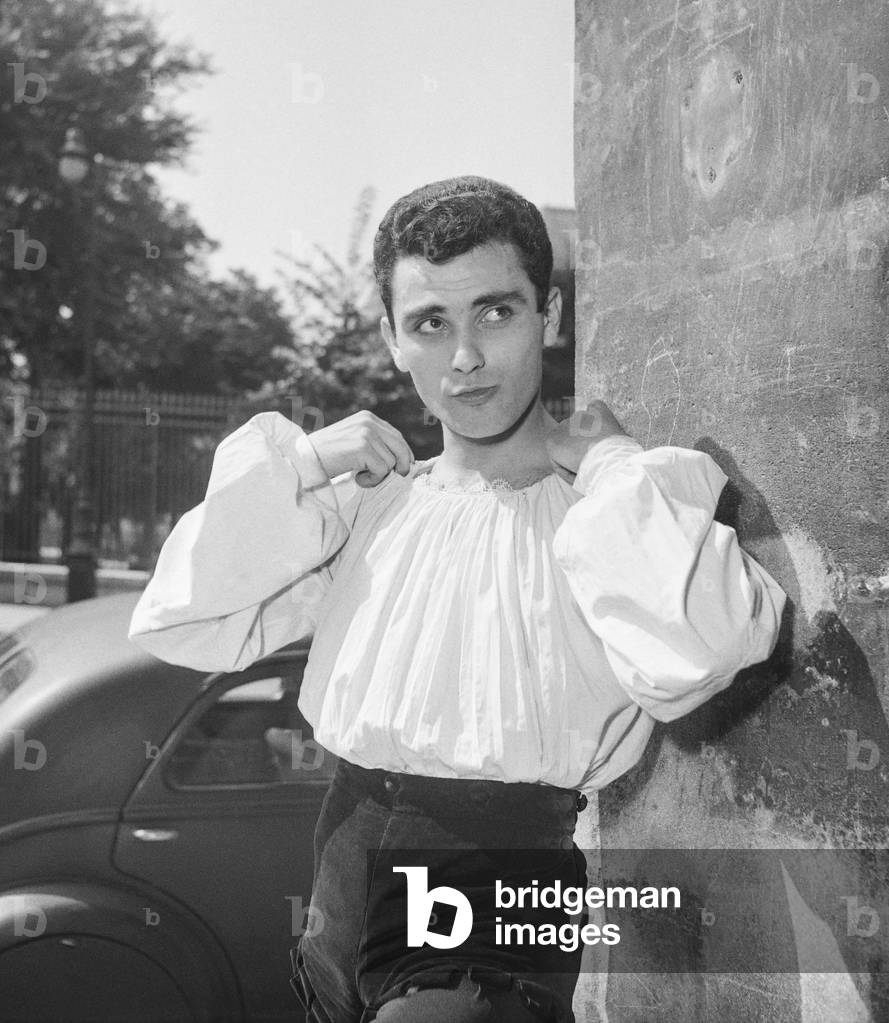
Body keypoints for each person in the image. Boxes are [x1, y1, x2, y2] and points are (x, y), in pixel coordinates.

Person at [128, 175, 787, 1022]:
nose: (465, 357)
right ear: (391, 338)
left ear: (549, 313)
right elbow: (184, 616)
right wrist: (302, 465)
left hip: (492, 893)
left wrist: (614, 466)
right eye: (431, 323)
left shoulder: (607, 511)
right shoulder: (368, 506)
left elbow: (706, 645)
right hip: (337, 884)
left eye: (495, 312)